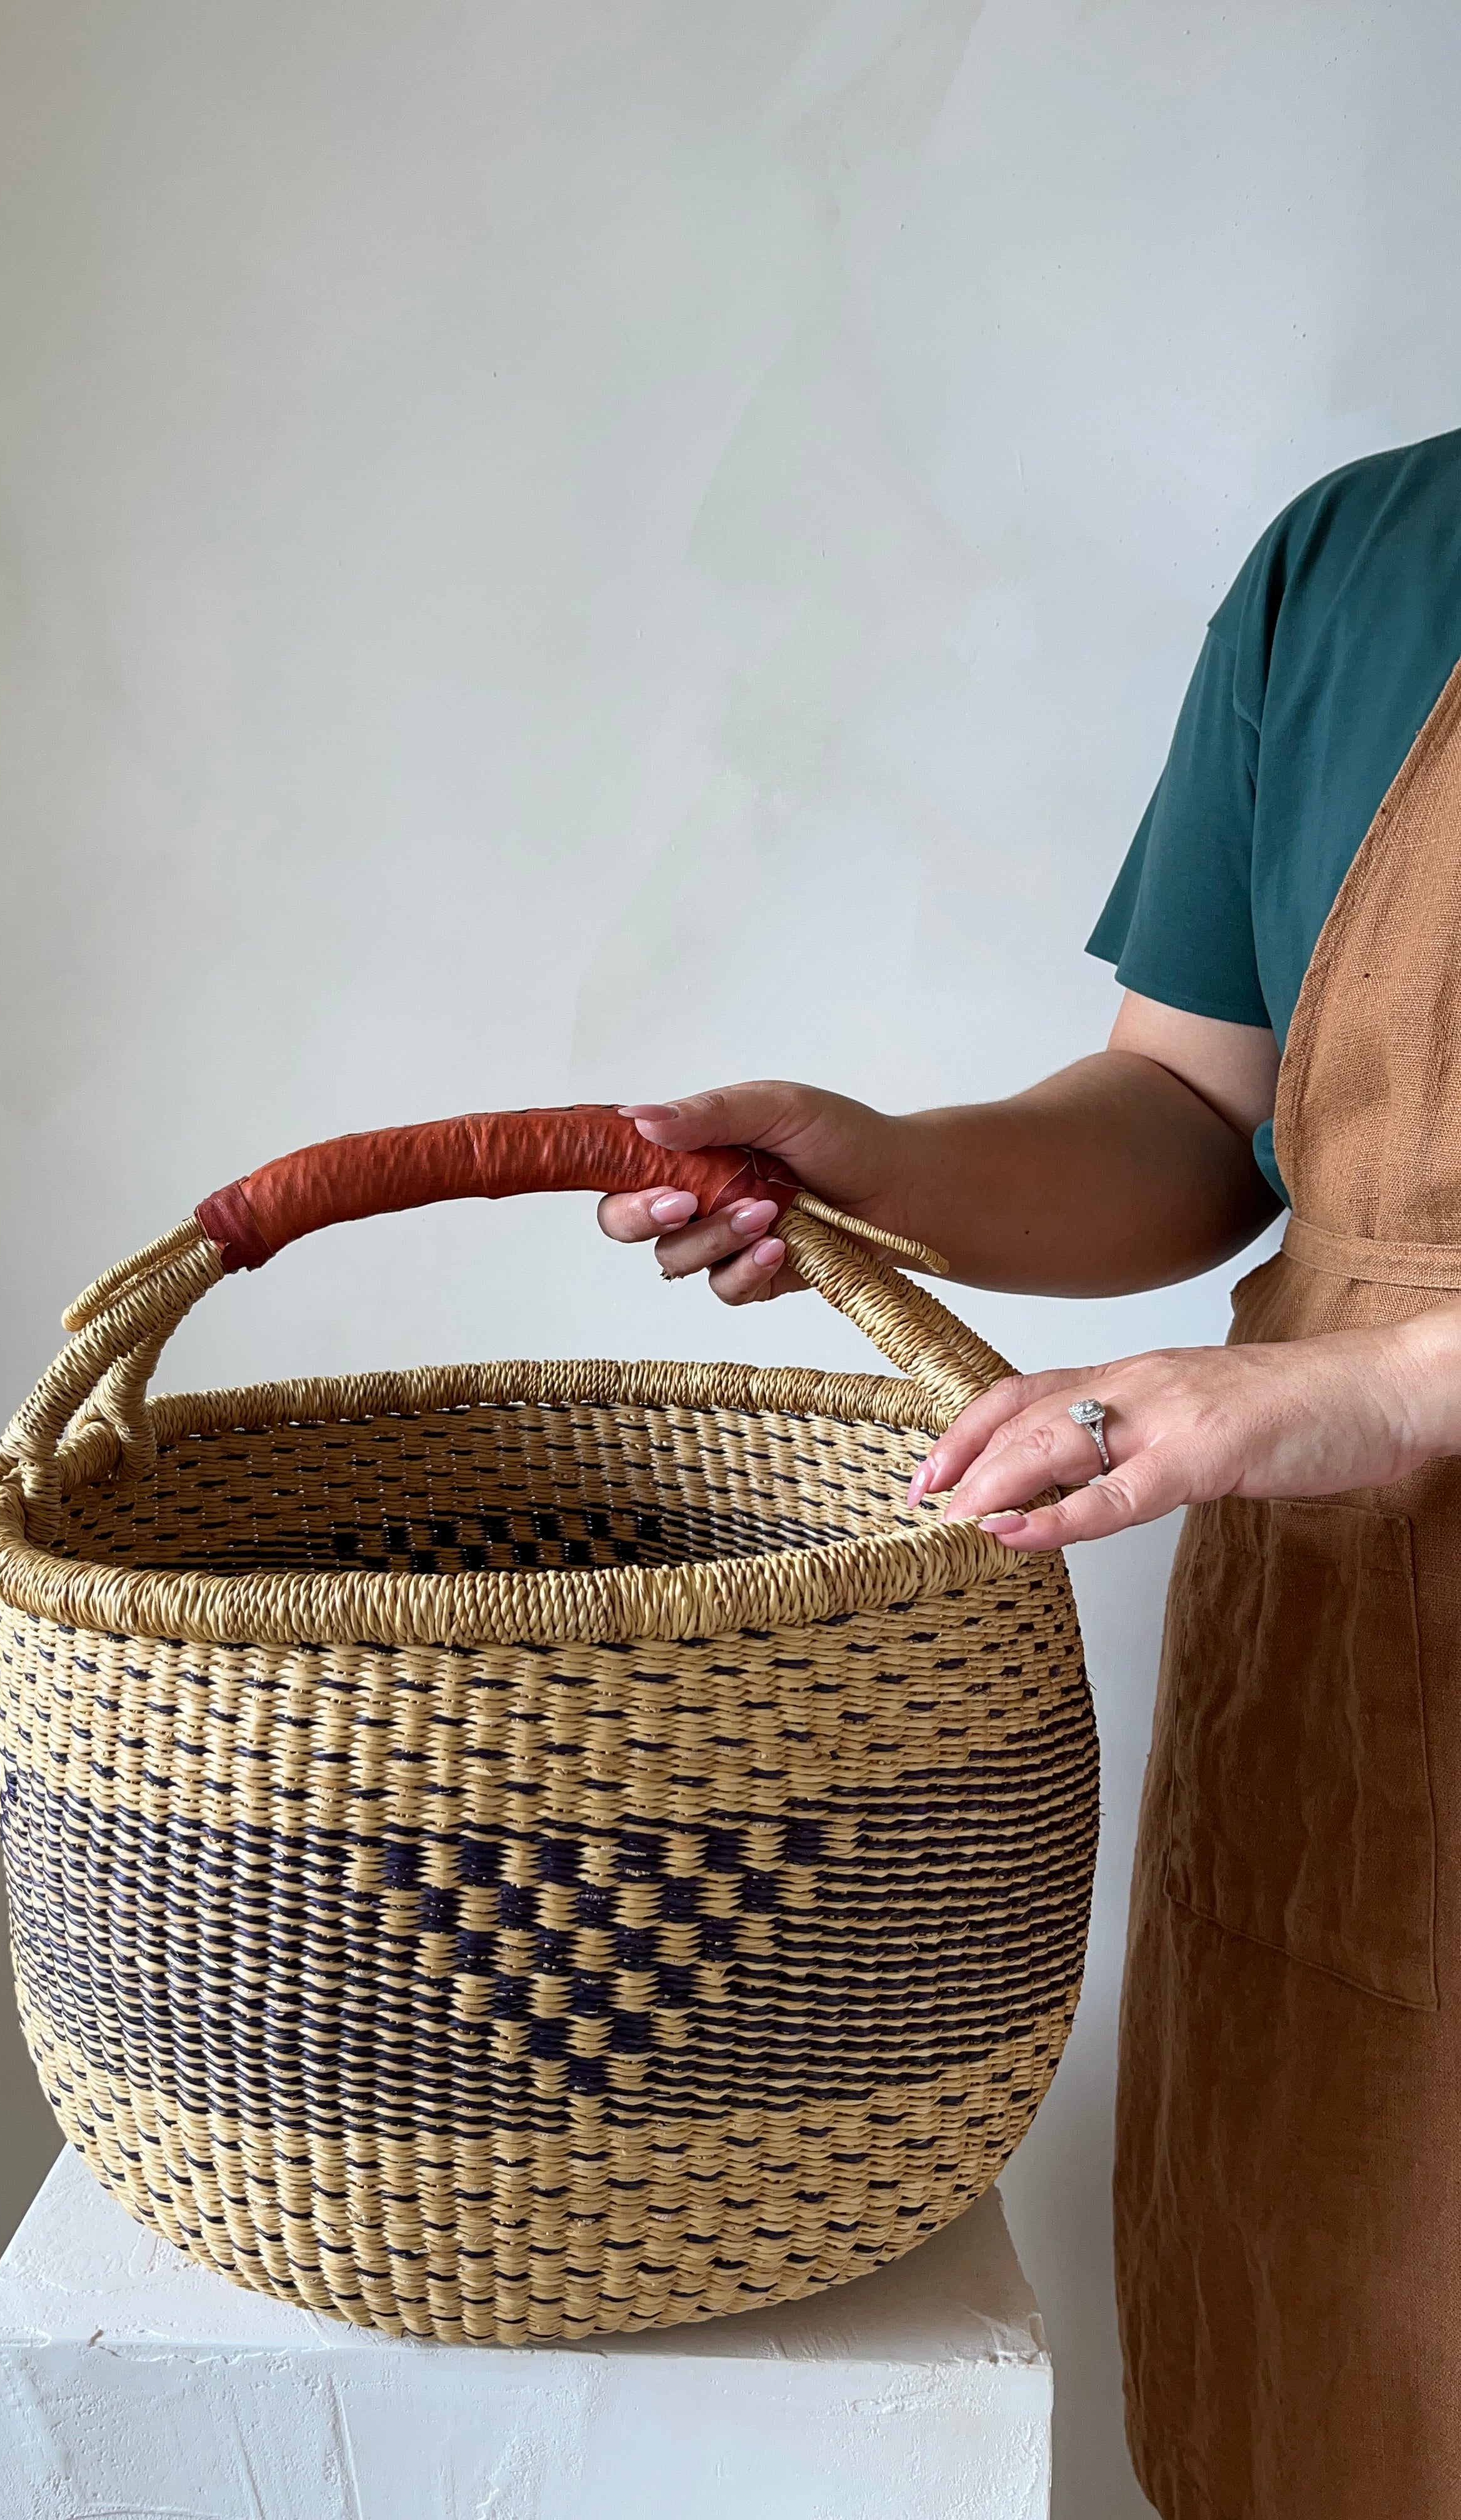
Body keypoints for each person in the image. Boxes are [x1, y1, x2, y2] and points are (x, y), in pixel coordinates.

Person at [597, 427, 1461, 2520]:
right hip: (1377, 1690)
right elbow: (1188, 1106)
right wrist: (890, 1169)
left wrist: (1396, 1383)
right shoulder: (1359, 557)